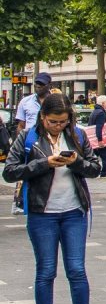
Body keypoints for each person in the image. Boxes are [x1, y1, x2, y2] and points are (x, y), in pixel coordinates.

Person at [4, 92, 102, 304]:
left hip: (74, 212)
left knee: (77, 270)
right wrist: (43, 163)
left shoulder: (78, 136)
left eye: (63, 122)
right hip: (41, 214)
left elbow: (96, 167)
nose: (58, 126)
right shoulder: (28, 138)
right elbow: (9, 171)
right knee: (46, 271)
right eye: (53, 122)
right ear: (42, 117)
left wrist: (76, 162)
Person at [12, 72, 51, 214]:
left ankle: (46, 200)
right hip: (30, 140)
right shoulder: (25, 102)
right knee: (26, 168)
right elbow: (21, 125)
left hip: (49, 140)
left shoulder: (55, 100)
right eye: (36, 84)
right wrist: (19, 142)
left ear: (49, 86)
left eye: (41, 85)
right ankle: (20, 201)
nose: (38, 87)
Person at [89, 96, 106, 177]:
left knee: (94, 155)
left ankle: (91, 170)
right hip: (101, 138)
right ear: (103, 103)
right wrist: (100, 140)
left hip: (93, 138)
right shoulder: (101, 113)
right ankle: (105, 172)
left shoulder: (94, 111)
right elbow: (99, 127)